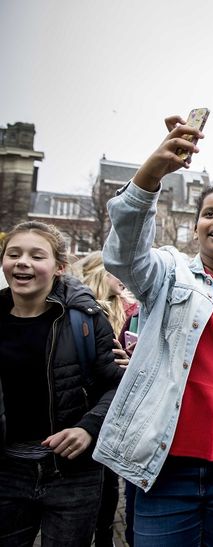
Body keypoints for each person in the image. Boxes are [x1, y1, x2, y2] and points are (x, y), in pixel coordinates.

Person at [93, 115, 213, 547]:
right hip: (166, 465)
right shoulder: (168, 271)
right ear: (198, 223)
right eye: (209, 213)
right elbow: (123, 257)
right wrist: (151, 176)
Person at [0, 221, 122, 546]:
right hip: (6, 473)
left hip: (72, 474)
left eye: (36, 255)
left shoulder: (87, 319)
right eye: (14, 254)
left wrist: (88, 428)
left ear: (59, 268)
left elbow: (117, 386)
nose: (23, 261)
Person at [70, 250, 136, 547]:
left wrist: (131, 360)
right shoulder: (76, 313)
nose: (122, 278)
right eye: (115, 271)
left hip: (115, 412)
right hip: (80, 410)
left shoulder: (130, 311)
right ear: (99, 273)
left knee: (109, 484)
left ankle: (106, 536)